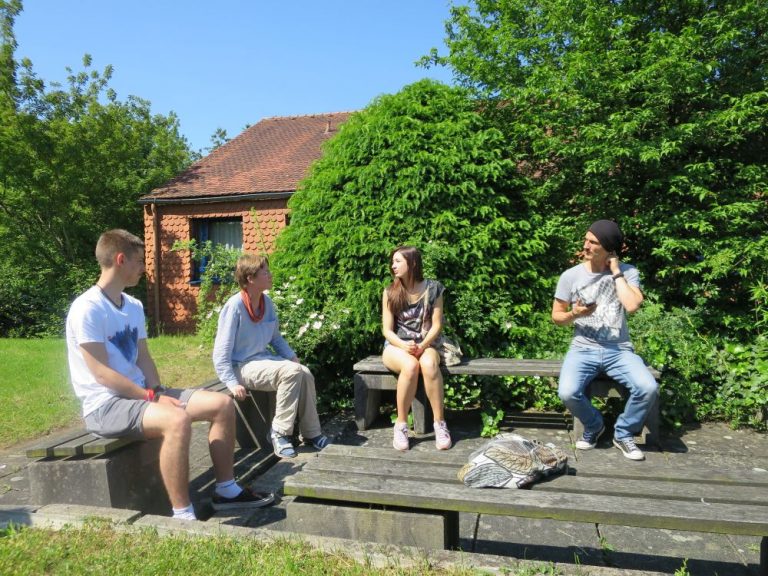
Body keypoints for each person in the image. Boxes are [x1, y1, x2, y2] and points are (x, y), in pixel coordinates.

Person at [66, 230, 274, 521]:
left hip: (142, 395)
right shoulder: (87, 308)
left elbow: (143, 357)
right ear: (121, 260)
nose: (144, 268)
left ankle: (226, 490)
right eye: (140, 261)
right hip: (105, 406)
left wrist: (157, 390)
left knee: (222, 404)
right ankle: (183, 515)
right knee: (177, 420)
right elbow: (101, 374)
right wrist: (151, 397)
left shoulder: (133, 306)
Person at [552, 219, 658, 461]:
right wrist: (574, 314)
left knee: (648, 388)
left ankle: (623, 433)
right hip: (582, 348)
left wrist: (615, 271)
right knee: (567, 392)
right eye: (586, 240)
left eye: (593, 242)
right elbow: (556, 317)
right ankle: (594, 425)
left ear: (609, 248)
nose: (585, 246)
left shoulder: (628, 272)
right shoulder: (570, 276)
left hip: (619, 349)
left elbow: (632, 305)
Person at [213, 254, 329, 459]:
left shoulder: (267, 303)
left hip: (263, 360)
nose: (270, 275)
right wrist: (231, 382)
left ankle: (311, 433)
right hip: (241, 366)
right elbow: (220, 353)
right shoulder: (234, 306)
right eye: (265, 272)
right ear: (250, 278)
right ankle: (279, 432)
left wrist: (291, 356)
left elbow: (275, 338)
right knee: (292, 372)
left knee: (304, 372)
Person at [382, 245, 452, 451]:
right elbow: (387, 330)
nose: (393, 266)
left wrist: (422, 345)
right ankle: (401, 425)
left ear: (412, 263)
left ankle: (440, 424)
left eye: (398, 261)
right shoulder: (390, 292)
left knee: (429, 364)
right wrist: (403, 345)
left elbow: (437, 325)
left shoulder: (434, 289)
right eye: (392, 262)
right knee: (411, 366)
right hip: (396, 346)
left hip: (426, 343)